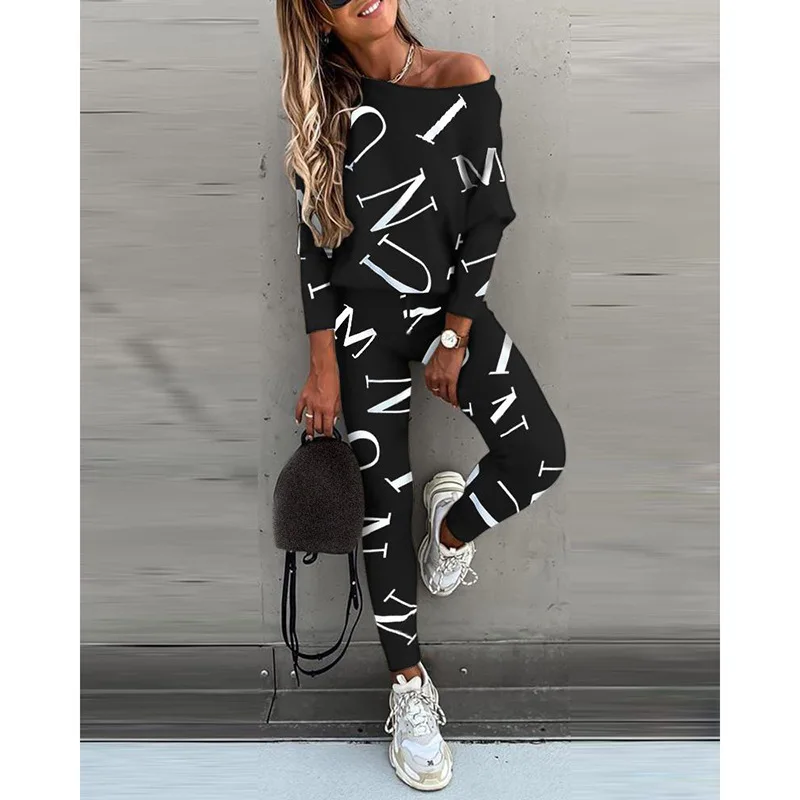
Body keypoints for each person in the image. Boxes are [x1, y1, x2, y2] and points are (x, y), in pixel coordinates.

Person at [276, 0, 567, 791]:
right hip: (359, 329)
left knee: (538, 454)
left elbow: (487, 217)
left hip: (447, 316)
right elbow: (312, 244)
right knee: (381, 507)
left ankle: (452, 525)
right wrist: (322, 361)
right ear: (320, 18)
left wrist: (457, 333)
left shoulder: (462, 78)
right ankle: (408, 688)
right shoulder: (324, 108)